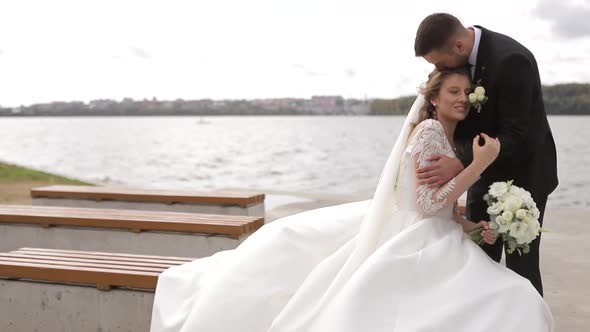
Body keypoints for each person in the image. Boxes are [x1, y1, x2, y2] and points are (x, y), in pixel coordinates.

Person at [150, 67, 553, 332]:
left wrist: (473, 226)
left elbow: (440, 206)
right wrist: (480, 165)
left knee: (504, 296)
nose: (462, 98)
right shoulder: (429, 132)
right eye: (453, 91)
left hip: (438, 233)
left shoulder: (444, 135)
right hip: (418, 238)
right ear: (434, 97)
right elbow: (428, 208)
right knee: (505, 298)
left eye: (466, 91)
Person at [414, 13, 558, 296]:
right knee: (478, 258)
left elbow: (516, 135)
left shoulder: (512, 59)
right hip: (480, 173)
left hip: (524, 175)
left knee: (522, 267)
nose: (437, 69)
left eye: (438, 62)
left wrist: (459, 162)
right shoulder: (458, 64)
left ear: (457, 46)